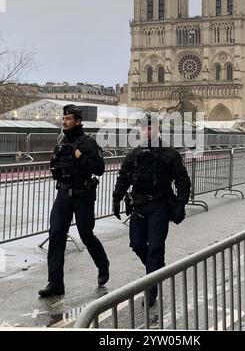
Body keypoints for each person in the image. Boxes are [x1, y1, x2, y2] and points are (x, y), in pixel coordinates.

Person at [112, 112, 191, 307]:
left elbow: (182, 180)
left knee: (155, 247)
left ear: (157, 128)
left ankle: (151, 289)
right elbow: (123, 177)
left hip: (160, 205)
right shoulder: (135, 155)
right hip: (139, 205)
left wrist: (180, 203)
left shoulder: (168, 154)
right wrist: (116, 198)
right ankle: (156, 269)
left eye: (150, 127)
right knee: (137, 244)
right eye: (143, 128)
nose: (146, 131)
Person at [39, 104, 109, 297]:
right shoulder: (61, 141)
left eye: (68, 119)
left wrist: (79, 156)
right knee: (56, 235)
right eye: (64, 118)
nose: (65, 121)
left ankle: (103, 264)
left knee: (86, 235)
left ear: (78, 121)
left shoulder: (88, 143)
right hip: (63, 193)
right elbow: (55, 165)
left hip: (82, 194)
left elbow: (99, 168)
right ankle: (55, 283)